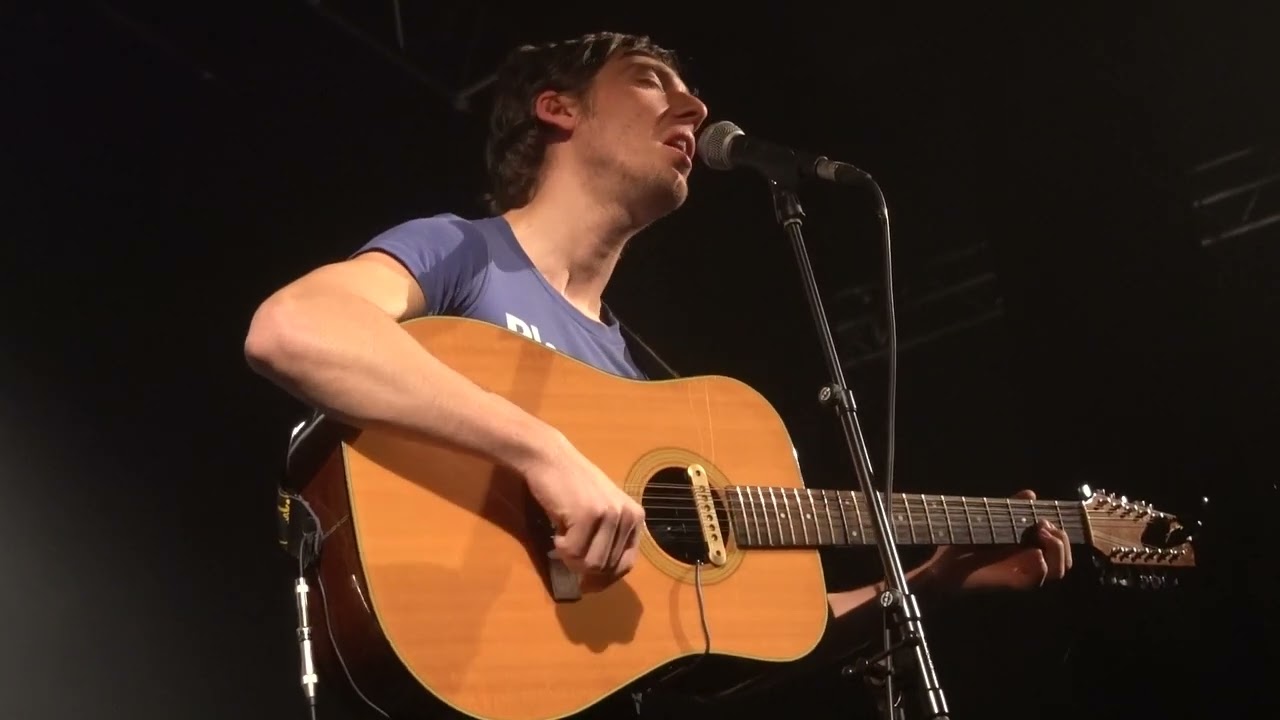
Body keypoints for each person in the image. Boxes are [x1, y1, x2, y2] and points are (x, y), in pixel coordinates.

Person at [244, 31, 1072, 717]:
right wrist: (543, 451)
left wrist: (924, 581)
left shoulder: (638, 380)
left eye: (688, 87)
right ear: (557, 108)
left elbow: (745, 631)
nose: (695, 107)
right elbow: (294, 329)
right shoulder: (465, 253)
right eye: (649, 79)